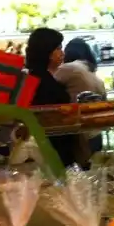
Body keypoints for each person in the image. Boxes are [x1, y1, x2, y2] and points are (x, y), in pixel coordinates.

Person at [25, 27, 77, 168]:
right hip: (55, 151)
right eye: (58, 48)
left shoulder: (35, 77)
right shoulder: (43, 82)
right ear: (47, 51)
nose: (62, 53)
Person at [56, 38, 107, 157]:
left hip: (81, 133)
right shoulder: (93, 74)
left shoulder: (68, 68)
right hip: (96, 132)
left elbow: (48, 83)